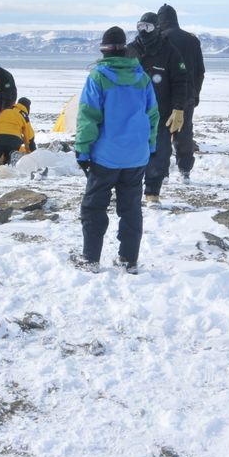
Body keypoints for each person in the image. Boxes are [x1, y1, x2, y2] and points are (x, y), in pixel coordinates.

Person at [72, 27, 159, 274]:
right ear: (125, 49)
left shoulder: (98, 77)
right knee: (131, 208)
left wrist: (82, 151)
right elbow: (153, 115)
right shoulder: (141, 77)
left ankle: (90, 259)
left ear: (104, 50)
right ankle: (128, 260)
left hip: (106, 157)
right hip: (136, 156)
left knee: (93, 207)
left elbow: (88, 117)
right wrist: (151, 147)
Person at [128, 10, 189, 203]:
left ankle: (152, 193)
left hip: (161, 113)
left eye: (148, 27)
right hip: (133, 112)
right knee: (132, 152)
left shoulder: (170, 52)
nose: (143, 31)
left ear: (157, 28)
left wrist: (178, 108)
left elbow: (181, 82)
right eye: (140, 27)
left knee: (159, 153)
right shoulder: (130, 51)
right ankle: (130, 190)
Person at [154, 4, 205, 183]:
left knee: (162, 134)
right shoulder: (192, 40)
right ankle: (185, 171)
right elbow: (200, 71)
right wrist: (195, 93)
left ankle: (162, 173)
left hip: (163, 96)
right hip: (187, 97)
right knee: (184, 132)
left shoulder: (159, 39)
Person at [0, 97, 36, 165]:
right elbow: (29, 138)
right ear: (28, 108)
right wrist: (32, 154)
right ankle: (12, 157)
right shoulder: (24, 116)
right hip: (13, 139)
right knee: (10, 154)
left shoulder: (5, 111)